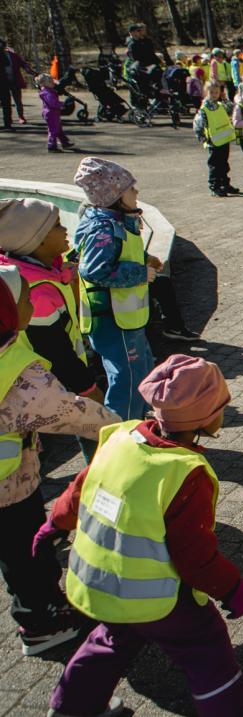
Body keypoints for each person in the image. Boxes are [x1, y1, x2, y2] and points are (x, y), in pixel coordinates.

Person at [38, 355, 243, 717]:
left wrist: (53, 525)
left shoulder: (119, 436)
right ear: (206, 418)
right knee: (205, 647)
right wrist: (231, 587)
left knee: (110, 640)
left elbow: (79, 489)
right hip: (155, 595)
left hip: (99, 579)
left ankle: (71, 708)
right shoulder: (186, 473)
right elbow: (194, 556)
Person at [0, 261, 118, 659]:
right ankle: (43, 623)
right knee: (27, 554)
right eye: (24, 297)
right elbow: (74, 414)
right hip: (10, 487)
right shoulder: (18, 375)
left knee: (12, 555)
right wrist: (123, 427)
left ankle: (36, 608)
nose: (33, 301)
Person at [72, 158, 160, 420]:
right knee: (127, 379)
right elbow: (96, 270)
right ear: (115, 196)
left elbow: (120, 256)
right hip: (113, 320)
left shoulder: (118, 221)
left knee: (142, 369)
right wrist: (142, 273)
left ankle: (141, 422)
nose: (137, 193)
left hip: (128, 319)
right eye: (132, 189)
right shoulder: (104, 227)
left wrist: (144, 260)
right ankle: (123, 433)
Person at [0, 201, 101, 406]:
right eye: (57, 225)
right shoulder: (37, 293)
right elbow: (57, 353)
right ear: (37, 241)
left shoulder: (46, 270)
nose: (65, 229)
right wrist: (90, 391)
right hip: (58, 385)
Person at [193, 80, 239, 197]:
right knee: (215, 165)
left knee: (224, 164)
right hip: (213, 141)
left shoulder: (220, 104)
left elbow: (231, 109)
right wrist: (203, 138)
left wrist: (224, 97)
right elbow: (198, 125)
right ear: (206, 92)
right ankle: (215, 186)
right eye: (212, 92)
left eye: (217, 92)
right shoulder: (205, 108)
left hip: (224, 139)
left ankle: (225, 184)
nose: (214, 94)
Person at [35, 74, 74, 153]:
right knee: (53, 130)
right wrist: (62, 105)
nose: (53, 83)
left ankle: (65, 142)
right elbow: (53, 103)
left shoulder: (48, 91)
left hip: (53, 113)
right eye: (51, 82)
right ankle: (51, 145)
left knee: (58, 129)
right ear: (44, 84)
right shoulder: (47, 93)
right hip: (51, 113)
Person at [1, 39, 35, 128]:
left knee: (17, 100)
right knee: (5, 103)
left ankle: (21, 117)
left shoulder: (13, 55)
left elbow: (23, 64)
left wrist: (30, 71)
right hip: (3, 83)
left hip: (14, 81)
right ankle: (8, 120)